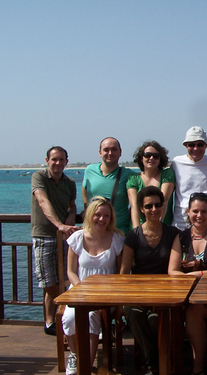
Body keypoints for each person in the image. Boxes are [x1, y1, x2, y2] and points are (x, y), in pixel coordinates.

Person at [168, 192, 207, 375]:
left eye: (203, 211)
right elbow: (172, 270)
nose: (199, 215)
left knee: (194, 311)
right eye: (195, 211)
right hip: (185, 295)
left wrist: (197, 274)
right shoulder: (181, 238)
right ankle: (170, 363)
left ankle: (199, 366)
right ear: (188, 212)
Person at [120, 186, 180, 374]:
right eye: (149, 206)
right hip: (139, 293)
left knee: (155, 319)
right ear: (141, 209)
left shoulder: (172, 233)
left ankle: (152, 363)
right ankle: (158, 362)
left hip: (165, 294)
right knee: (133, 312)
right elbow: (124, 270)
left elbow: (175, 267)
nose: (154, 209)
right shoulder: (133, 235)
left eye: (158, 205)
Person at [61, 197, 124, 375]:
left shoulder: (117, 238)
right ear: (90, 215)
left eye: (106, 215)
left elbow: (121, 271)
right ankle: (75, 355)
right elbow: (71, 272)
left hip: (106, 293)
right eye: (97, 215)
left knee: (91, 316)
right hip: (80, 289)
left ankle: (85, 366)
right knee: (70, 318)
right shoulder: (77, 238)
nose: (102, 219)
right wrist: (81, 289)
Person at [31, 146, 79, 335]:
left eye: (61, 160)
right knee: (48, 281)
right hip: (44, 235)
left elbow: (72, 206)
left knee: (62, 278)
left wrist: (71, 215)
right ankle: (63, 312)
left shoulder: (70, 182)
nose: (57, 163)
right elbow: (43, 201)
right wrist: (59, 224)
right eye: (54, 160)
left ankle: (51, 322)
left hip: (64, 235)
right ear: (47, 161)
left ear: (67, 162)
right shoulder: (39, 177)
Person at [171, 127, 207, 230]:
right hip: (180, 225)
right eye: (191, 144)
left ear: (206, 146)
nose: (195, 148)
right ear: (185, 145)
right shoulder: (176, 163)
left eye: (200, 144)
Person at [82, 137, 132, 234]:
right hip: (92, 231)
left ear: (120, 152)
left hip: (118, 232)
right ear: (100, 152)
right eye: (106, 150)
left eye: (114, 149)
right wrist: (86, 208)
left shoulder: (128, 174)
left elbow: (137, 201)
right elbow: (84, 188)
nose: (110, 153)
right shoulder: (89, 170)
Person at [127, 141, 175, 227]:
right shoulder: (133, 178)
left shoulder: (167, 174)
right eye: (147, 155)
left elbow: (164, 200)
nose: (151, 158)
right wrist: (137, 232)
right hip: (140, 226)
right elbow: (134, 206)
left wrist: (157, 228)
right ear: (142, 158)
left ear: (160, 159)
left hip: (163, 228)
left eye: (156, 156)